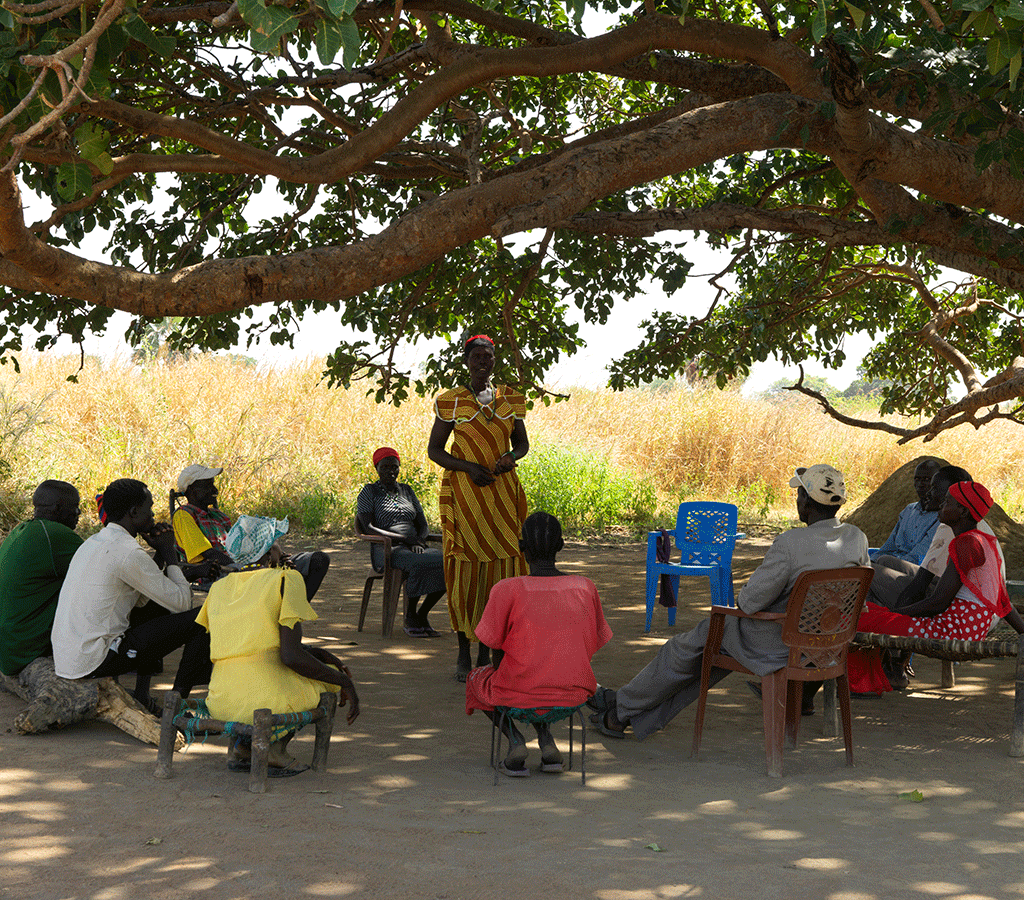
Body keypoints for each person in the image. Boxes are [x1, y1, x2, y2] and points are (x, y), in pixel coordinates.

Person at [587, 464, 869, 740]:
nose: (797, 501)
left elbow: (748, 602)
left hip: (776, 643)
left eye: (799, 496)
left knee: (682, 651)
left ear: (806, 500)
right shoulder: (857, 538)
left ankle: (620, 708)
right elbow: (858, 600)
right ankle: (623, 711)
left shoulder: (790, 543)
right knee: (705, 659)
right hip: (827, 644)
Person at [195, 519, 359, 777]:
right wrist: (344, 682)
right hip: (266, 700)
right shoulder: (285, 579)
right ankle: (274, 750)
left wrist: (317, 652)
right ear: (270, 551)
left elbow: (255, 643)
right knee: (326, 680)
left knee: (307, 669)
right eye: (277, 544)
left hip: (222, 698)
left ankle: (243, 747)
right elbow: (291, 656)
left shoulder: (218, 588)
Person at [465, 512, 612, 776]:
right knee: (542, 673)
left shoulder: (506, 589)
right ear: (561, 546)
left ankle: (516, 741)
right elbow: (592, 642)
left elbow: (494, 650)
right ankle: (546, 742)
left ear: (522, 549)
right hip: (573, 692)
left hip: (518, 692)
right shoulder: (585, 587)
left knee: (477, 679)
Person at [51, 479, 212, 711]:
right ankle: (175, 707)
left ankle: (142, 696)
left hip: (71, 656)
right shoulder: (127, 551)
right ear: (134, 512)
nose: (154, 515)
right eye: (150, 508)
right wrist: (168, 552)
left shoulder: (95, 542)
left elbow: (147, 598)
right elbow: (182, 604)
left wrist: (158, 554)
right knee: (204, 617)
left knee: (156, 608)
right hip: (94, 659)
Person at [849, 481, 1024, 694]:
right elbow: (1003, 603)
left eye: (948, 501)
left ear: (963, 511)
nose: (941, 504)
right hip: (965, 629)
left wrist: (895, 613)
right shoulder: (982, 540)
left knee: (858, 618)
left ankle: (862, 684)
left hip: (950, 631)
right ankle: (869, 679)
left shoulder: (966, 544)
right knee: (871, 614)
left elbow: (938, 602)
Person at [427, 334, 529, 680]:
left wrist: (508, 458)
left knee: (501, 572)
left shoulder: (510, 399)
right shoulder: (451, 402)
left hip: (501, 497)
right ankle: (463, 651)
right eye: (477, 356)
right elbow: (435, 451)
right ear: (467, 360)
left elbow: (522, 445)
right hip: (466, 498)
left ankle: (489, 649)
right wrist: (469, 467)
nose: (483, 361)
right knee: (465, 572)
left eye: (489, 356)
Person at [171, 464, 330, 602]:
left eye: (213, 485)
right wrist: (250, 565)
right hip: (218, 571)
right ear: (191, 489)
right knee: (270, 576)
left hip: (244, 564)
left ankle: (295, 612)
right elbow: (209, 553)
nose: (215, 490)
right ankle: (282, 617)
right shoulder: (184, 515)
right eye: (208, 486)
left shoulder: (217, 515)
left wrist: (274, 554)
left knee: (318, 560)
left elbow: (244, 542)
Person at [356, 447, 446, 636]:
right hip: (387, 550)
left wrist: (418, 540)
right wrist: (405, 539)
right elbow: (368, 528)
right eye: (385, 467)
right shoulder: (369, 492)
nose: (391, 471)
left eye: (395, 467)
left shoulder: (407, 490)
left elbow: (423, 524)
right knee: (420, 562)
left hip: (413, 546)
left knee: (449, 562)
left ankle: (422, 613)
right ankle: (410, 616)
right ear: (376, 468)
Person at [0, 481, 82, 677]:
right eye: (75, 507)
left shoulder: (21, 530)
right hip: (26, 651)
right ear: (58, 508)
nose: (78, 514)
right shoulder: (55, 536)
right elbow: (106, 570)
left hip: (9, 647)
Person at [871, 458, 942, 563]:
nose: (920, 484)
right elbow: (888, 547)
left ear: (937, 484)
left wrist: (886, 563)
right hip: (893, 562)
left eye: (927, 479)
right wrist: (871, 561)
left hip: (913, 569)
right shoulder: (909, 510)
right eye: (917, 479)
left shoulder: (941, 516)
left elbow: (916, 558)